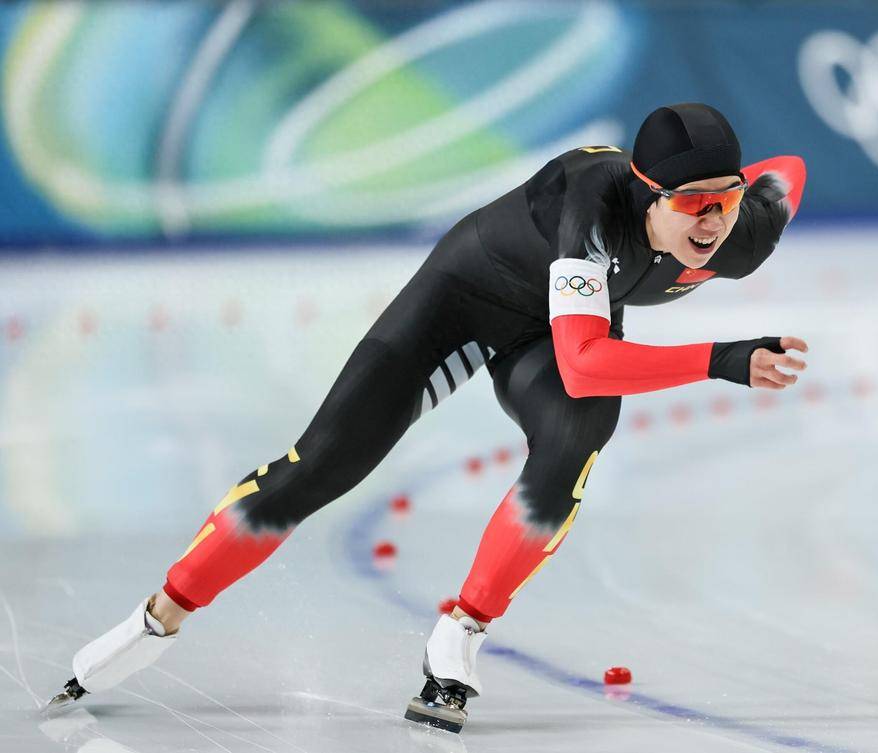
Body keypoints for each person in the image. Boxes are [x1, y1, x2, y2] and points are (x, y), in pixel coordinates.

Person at [48, 103, 809, 733]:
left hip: (549, 332)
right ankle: (156, 617)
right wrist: (722, 358)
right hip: (466, 299)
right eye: (692, 203)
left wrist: (742, 196)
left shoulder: (740, 234)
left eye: (726, 199)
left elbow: (789, 175)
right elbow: (584, 361)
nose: (712, 221)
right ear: (646, 193)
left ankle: (461, 633)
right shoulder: (592, 204)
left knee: (577, 435)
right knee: (323, 464)